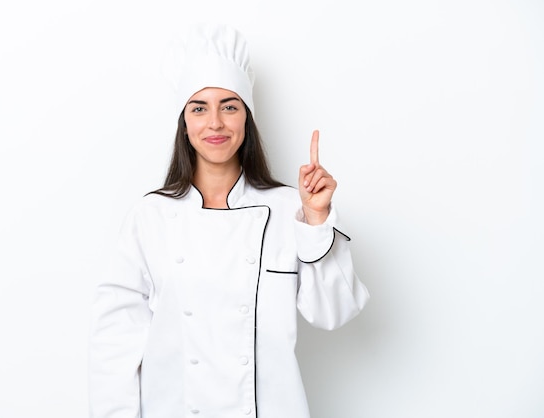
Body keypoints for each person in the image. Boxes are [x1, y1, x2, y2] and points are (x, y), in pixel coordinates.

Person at [88, 23, 369, 418]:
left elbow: (334, 313)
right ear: (184, 123)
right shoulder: (150, 218)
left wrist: (317, 220)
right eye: (199, 108)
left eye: (230, 106)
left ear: (247, 118)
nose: (215, 123)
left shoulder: (290, 208)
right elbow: (114, 345)